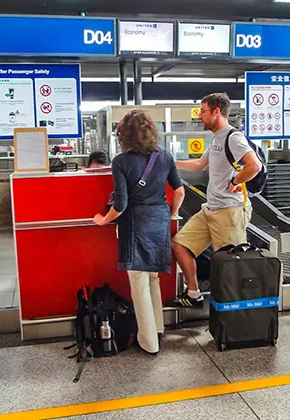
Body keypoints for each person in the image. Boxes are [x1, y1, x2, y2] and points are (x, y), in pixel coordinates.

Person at [93, 110, 185, 355]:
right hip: (159, 221)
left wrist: (103, 220)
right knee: (152, 278)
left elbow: (120, 205)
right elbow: (179, 190)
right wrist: (172, 214)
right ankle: (157, 329)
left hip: (136, 224)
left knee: (139, 283)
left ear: (124, 135)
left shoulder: (121, 161)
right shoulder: (164, 155)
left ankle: (149, 343)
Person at [168, 93, 263, 308]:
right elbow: (200, 165)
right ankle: (194, 294)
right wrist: (170, 163)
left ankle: (238, 315)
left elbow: (254, 165)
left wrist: (236, 180)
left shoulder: (233, 137)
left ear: (216, 112)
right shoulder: (217, 138)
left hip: (229, 212)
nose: (199, 116)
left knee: (232, 264)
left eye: (203, 111)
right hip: (210, 209)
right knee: (180, 244)